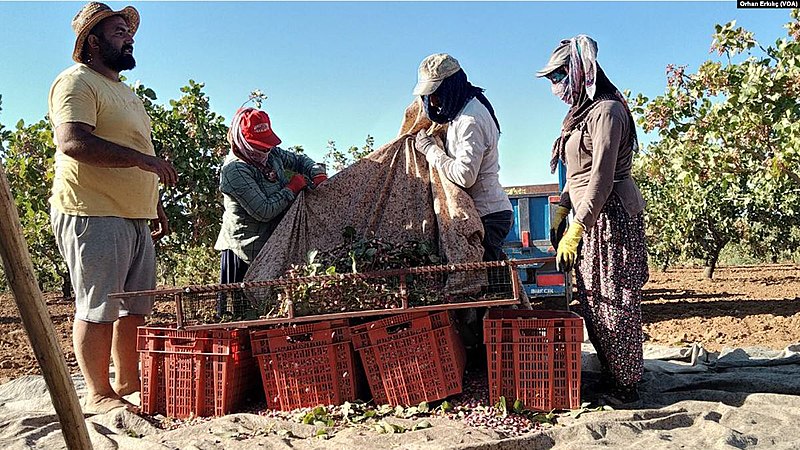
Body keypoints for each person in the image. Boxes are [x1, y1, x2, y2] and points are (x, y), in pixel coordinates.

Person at [48, 2, 178, 414]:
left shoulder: (124, 92)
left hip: (133, 214)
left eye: (128, 31)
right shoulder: (76, 82)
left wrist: (152, 203)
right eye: (119, 31)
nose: (129, 37)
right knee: (99, 304)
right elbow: (73, 142)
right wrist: (144, 162)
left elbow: (139, 148)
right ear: (93, 41)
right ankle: (97, 390)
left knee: (135, 305)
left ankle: (126, 381)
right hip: (92, 210)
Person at [538, 35, 649, 404]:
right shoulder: (579, 115)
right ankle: (614, 372)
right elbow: (577, 174)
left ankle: (627, 385)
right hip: (588, 215)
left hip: (611, 216)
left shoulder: (607, 112)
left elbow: (601, 177)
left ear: (580, 70)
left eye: (558, 76)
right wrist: (562, 206)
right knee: (592, 301)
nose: (555, 86)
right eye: (551, 79)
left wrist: (578, 226)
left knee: (616, 300)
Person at [412, 53, 514, 355]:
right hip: (485, 213)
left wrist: (432, 151)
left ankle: (498, 357)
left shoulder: (470, 119)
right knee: (485, 290)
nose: (434, 102)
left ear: (451, 86)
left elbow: (464, 175)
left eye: (436, 93)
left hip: (488, 214)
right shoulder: (462, 112)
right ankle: (490, 355)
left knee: (489, 294)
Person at [214, 107, 327, 288]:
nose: (264, 153)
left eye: (267, 146)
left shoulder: (271, 152)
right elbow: (264, 211)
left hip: (273, 241)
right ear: (242, 142)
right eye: (258, 148)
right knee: (244, 307)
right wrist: (291, 188)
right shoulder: (235, 170)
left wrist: (316, 172)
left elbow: (298, 160)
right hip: (245, 249)